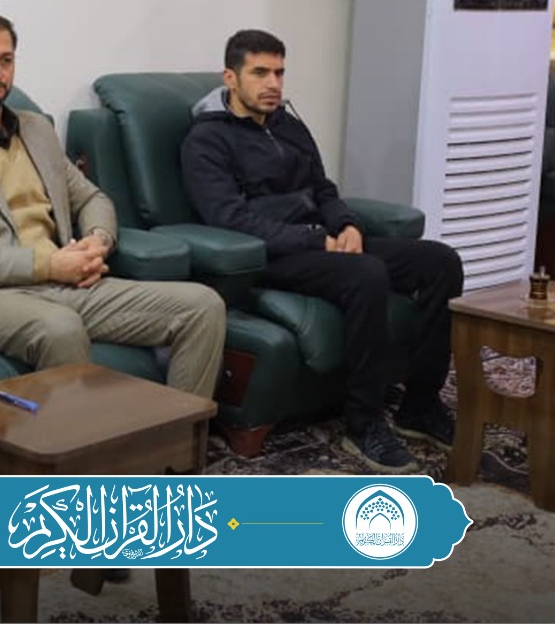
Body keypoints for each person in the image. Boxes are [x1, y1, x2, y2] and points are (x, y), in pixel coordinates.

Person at [0, 11, 227, 398]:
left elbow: (92, 198)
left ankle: (179, 435)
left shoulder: (37, 129)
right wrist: (49, 265)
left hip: (63, 282)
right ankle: (79, 441)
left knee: (202, 306)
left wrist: (98, 242)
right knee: (59, 327)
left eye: (6, 60)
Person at [180, 30, 464, 474]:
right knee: (366, 273)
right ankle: (363, 421)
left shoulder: (289, 126)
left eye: (279, 73)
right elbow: (230, 219)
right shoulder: (207, 140)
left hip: (321, 240)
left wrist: (346, 225)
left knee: (439, 262)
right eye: (260, 73)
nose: (273, 84)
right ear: (230, 78)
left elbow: (323, 189)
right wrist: (316, 240)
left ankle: (421, 404)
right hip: (267, 255)